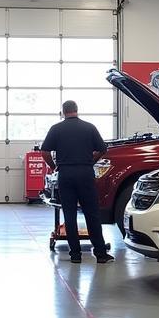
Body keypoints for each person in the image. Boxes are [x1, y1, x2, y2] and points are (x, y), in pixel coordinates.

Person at [41, 101, 113, 264]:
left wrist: (54, 167)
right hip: (85, 172)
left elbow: (44, 152)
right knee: (92, 214)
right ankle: (100, 254)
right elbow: (103, 149)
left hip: (65, 174)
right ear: (76, 110)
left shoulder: (56, 129)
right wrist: (90, 160)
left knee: (69, 214)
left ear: (63, 112)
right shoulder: (89, 127)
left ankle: (75, 255)